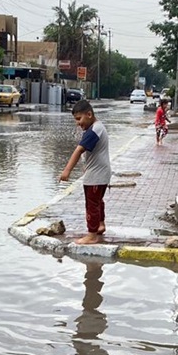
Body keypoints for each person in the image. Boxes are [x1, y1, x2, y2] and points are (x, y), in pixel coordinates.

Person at [59, 99, 111, 245]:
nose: (77, 123)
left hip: (96, 175)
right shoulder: (96, 128)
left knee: (91, 204)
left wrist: (66, 171)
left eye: (79, 119)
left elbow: (78, 150)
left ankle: (92, 234)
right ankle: (100, 225)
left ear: (89, 114)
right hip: (102, 173)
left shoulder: (94, 130)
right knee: (98, 201)